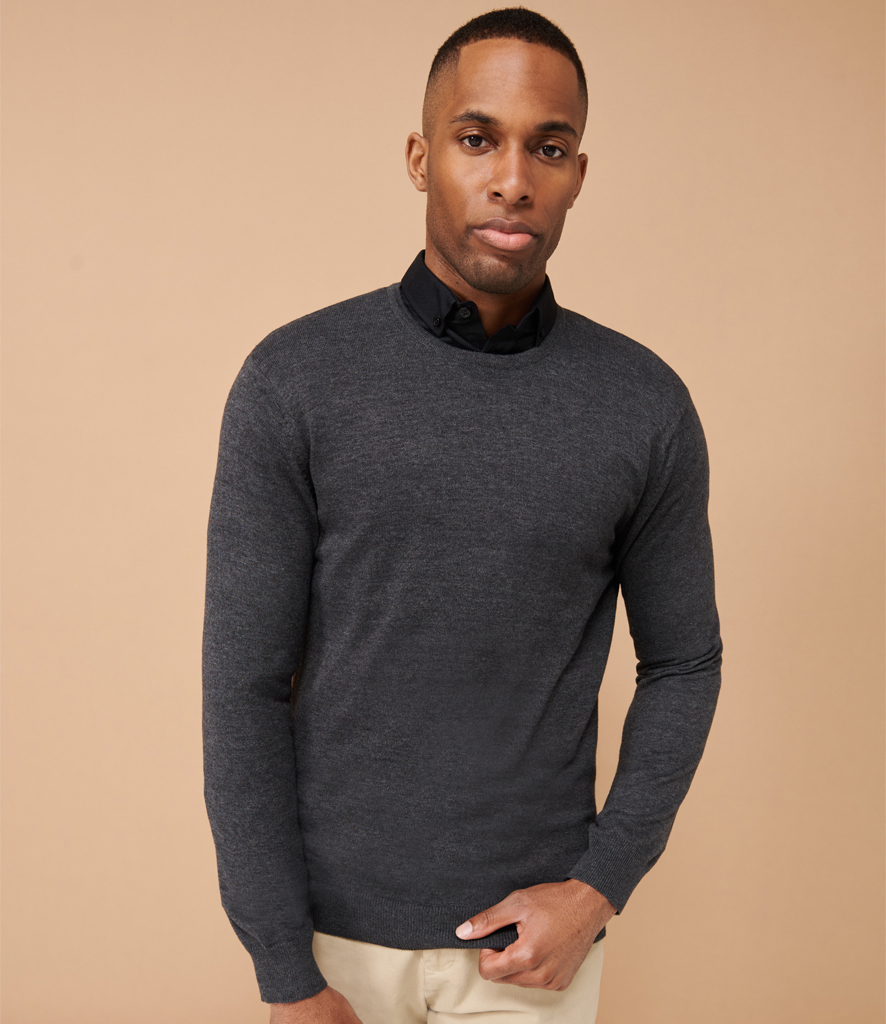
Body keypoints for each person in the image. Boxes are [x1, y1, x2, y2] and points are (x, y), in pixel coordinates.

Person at [202, 9, 722, 1024]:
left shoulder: (643, 405)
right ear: (420, 156)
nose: (513, 179)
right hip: (330, 944)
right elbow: (244, 687)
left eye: (549, 148)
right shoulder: (293, 380)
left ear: (578, 173)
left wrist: (599, 887)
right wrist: (283, 969)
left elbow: (685, 662)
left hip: (529, 952)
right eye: (477, 138)